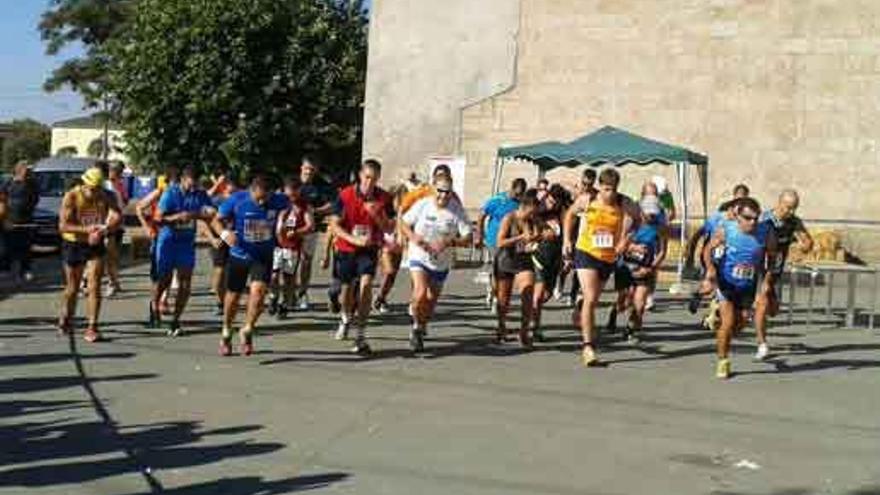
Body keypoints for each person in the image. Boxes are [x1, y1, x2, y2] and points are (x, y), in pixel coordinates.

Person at [212, 174, 290, 356]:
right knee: (233, 296)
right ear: (251, 191)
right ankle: (226, 330)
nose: (262, 202)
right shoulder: (237, 199)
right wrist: (225, 234)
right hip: (240, 254)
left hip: (263, 256)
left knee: (259, 293)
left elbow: (292, 206)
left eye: (265, 198)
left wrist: (283, 224)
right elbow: (216, 220)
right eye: (258, 198)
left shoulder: (279, 200)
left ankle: (247, 330)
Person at [700, 197, 778, 379]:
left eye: (756, 218)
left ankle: (718, 325)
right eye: (748, 218)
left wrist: (767, 281)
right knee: (728, 323)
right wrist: (710, 271)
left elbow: (772, 259)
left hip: (747, 285)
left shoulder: (766, 232)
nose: (752, 222)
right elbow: (707, 250)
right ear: (738, 217)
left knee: (740, 323)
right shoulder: (726, 229)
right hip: (726, 282)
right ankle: (723, 361)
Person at [564, 168, 630, 366]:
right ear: (600, 186)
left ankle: (581, 305)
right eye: (607, 189)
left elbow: (639, 220)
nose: (610, 193)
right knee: (592, 299)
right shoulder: (588, 199)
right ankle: (588, 347)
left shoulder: (624, 202)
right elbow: (570, 214)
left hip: (608, 257)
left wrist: (625, 239)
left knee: (591, 299)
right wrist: (566, 240)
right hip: (586, 251)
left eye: (614, 189)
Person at [329, 159, 395, 355]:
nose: (370, 183)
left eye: (374, 179)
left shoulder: (384, 198)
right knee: (347, 290)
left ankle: (361, 334)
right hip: (347, 248)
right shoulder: (345, 195)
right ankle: (345, 318)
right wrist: (353, 239)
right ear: (360, 175)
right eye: (367, 178)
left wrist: (377, 215)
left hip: (369, 249)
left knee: (366, 286)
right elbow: (334, 225)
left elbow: (389, 228)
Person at [400, 175, 472, 352]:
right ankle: (416, 329)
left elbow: (468, 237)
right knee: (420, 293)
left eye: (448, 192)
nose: (443, 195)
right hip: (419, 255)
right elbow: (403, 222)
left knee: (431, 300)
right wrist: (413, 237)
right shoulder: (423, 204)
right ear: (434, 189)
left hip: (441, 261)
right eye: (440, 191)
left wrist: (450, 242)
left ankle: (422, 322)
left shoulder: (456, 210)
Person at [57, 167, 122, 342]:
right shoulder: (72, 196)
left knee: (94, 285)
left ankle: (92, 326)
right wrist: (88, 230)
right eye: (92, 189)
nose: (95, 193)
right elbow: (63, 226)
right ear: (84, 184)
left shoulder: (106, 195)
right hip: (74, 243)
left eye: (99, 188)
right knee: (73, 287)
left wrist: (106, 228)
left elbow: (117, 215)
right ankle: (66, 315)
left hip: (95, 243)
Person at [149, 166, 215, 336]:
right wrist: (176, 217)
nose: (193, 188)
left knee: (185, 283)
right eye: (190, 184)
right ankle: (154, 304)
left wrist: (200, 214)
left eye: (196, 185)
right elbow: (157, 218)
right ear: (183, 180)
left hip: (186, 243)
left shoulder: (200, 194)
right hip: (168, 241)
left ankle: (175, 320)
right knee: (164, 280)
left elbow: (210, 212)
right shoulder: (170, 194)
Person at [752, 189, 813, 360]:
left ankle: (756, 312)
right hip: (759, 269)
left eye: (794, 208)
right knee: (762, 304)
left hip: (776, 271)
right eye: (788, 207)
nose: (791, 211)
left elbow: (807, 241)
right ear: (779, 203)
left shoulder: (794, 222)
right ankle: (762, 344)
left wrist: (804, 246)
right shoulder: (764, 220)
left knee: (773, 310)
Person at [616, 195, 668, 343]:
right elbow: (618, 247)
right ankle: (615, 312)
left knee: (639, 304)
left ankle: (630, 331)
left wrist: (651, 268)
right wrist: (633, 247)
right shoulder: (630, 223)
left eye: (654, 213)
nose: (651, 216)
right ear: (641, 210)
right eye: (648, 212)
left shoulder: (660, 228)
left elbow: (662, 252)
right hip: (625, 268)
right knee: (624, 303)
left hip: (645, 270)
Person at [494, 189, 542, 347]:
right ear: (523, 207)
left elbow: (542, 233)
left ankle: (524, 331)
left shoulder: (533, 219)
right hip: (506, 260)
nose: (533, 215)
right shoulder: (509, 218)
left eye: (535, 212)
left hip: (524, 260)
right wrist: (520, 237)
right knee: (503, 299)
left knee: (528, 292)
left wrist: (538, 237)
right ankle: (501, 326)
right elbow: (500, 242)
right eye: (531, 212)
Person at [476, 178, 527, 311]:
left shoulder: (521, 203)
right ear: (512, 188)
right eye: (517, 194)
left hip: (511, 243)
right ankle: (495, 297)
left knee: (505, 272)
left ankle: (495, 292)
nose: (518, 197)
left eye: (521, 194)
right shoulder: (497, 200)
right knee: (498, 270)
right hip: (494, 241)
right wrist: (479, 234)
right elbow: (481, 215)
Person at [268, 176, 314, 319]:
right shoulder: (278, 202)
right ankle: (273, 297)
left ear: (299, 191)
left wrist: (297, 232)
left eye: (295, 191)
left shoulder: (304, 206)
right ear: (285, 190)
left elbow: (310, 226)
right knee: (273, 274)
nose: (292, 194)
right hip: (275, 244)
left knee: (288, 277)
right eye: (289, 191)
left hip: (292, 247)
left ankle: (285, 305)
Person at [136, 166, 179, 315]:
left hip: (176, 236)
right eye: (173, 182)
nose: (176, 185)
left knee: (170, 269)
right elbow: (139, 207)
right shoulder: (160, 192)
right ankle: (156, 301)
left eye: (177, 182)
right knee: (158, 272)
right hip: (158, 236)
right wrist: (146, 227)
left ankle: (163, 300)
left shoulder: (182, 194)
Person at [531, 184, 569, 341]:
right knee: (539, 294)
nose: (552, 205)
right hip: (539, 255)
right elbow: (528, 229)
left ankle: (530, 312)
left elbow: (567, 234)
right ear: (547, 197)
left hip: (554, 258)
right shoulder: (537, 212)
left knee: (546, 295)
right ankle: (535, 328)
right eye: (550, 201)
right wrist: (540, 234)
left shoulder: (562, 213)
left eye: (555, 203)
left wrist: (566, 256)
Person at [296, 154, 335, 310]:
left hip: (311, 229)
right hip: (290, 228)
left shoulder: (323, 185)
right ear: (301, 167)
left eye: (312, 170)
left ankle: (302, 293)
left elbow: (332, 205)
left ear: (317, 170)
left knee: (306, 260)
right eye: (306, 169)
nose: (309, 172)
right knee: (288, 262)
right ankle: (287, 294)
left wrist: (315, 211)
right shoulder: (292, 182)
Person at [555, 169, 597, 305]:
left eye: (589, 185)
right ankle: (560, 284)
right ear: (581, 180)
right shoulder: (573, 192)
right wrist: (571, 187)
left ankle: (573, 294)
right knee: (566, 264)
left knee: (579, 267)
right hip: (571, 232)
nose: (586, 187)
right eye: (584, 183)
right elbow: (558, 185)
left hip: (584, 234)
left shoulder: (595, 196)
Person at [1, 162, 39, 283]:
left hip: (26, 220)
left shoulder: (32, 184)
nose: (28, 173)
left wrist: (27, 209)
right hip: (9, 220)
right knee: (8, 247)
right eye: (26, 170)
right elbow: (2, 200)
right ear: (19, 170)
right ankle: (5, 269)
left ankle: (25, 270)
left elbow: (35, 199)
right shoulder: (8, 183)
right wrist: (4, 219)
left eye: (29, 171)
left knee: (26, 247)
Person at [206, 166, 236, 315]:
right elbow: (205, 222)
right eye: (229, 182)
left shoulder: (242, 199)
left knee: (233, 273)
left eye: (234, 183)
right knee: (220, 271)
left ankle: (228, 301)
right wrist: (211, 238)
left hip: (236, 240)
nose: (232, 186)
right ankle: (220, 302)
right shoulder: (216, 200)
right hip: (219, 240)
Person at [104, 161, 129, 296]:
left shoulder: (120, 185)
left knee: (112, 255)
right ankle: (112, 282)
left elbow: (125, 201)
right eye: (114, 170)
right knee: (107, 255)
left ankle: (113, 282)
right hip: (106, 224)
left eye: (119, 171)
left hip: (117, 224)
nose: (117, 174)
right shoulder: (105, 185)